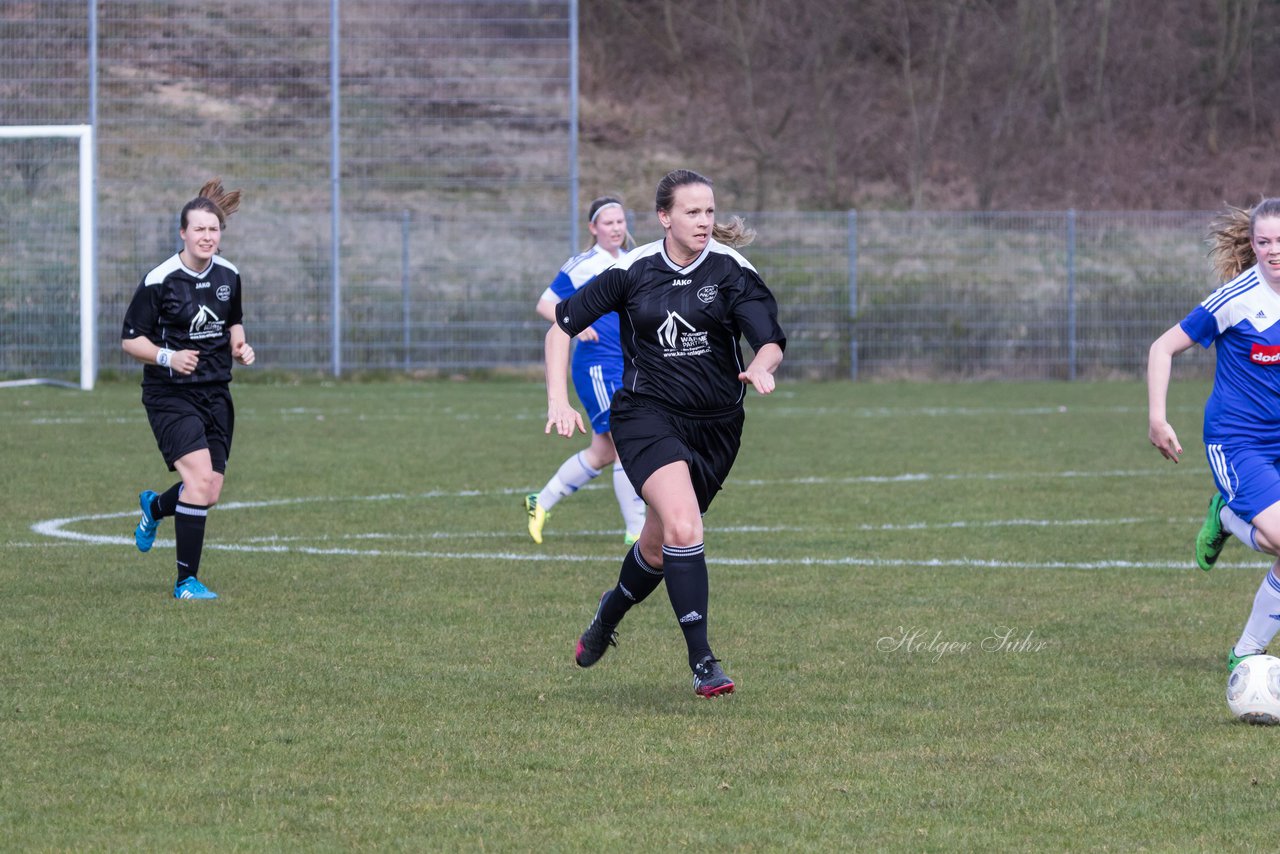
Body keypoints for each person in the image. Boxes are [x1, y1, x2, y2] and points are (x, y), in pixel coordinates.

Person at [543, 168, 786, 698]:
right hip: (646, 417)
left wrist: (763, 364)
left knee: (658, 545)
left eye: (709, 212)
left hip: (717, 428)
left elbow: (768, 339)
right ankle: (704, 663)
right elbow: (560, 326)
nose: (704, 221)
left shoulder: (731, 270)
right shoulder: (633, 269)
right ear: (664, 217)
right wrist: (558, 400)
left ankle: (607, 618)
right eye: (692, 212)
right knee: (684, 525)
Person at [1148, 197, 1280, 670]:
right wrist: (1158, 418)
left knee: (1273, 543)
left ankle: (1245, 652)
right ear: (1251, 244)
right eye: (1263, 241)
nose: (1273, 250)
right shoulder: (1235, 298)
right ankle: (1246, 652)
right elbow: (1162, 348)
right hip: (1237, 439)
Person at [121, 178, 255, 600]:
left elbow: (233, 320)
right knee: (198, 480)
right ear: (183, 233)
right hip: (170, 393)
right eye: (199, 229)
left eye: (213, 229)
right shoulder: (160, 279)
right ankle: (186, 583)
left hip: (216, 392)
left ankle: (154, 507)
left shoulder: (229, 274)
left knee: (209, 491)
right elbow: (130, 340)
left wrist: (239, 343)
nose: (207, 236)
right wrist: (168, 357)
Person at [525, 196, 646, 545]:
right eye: (608, 223)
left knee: (603, 452)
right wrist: (574, 327)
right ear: (593, 228)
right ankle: (636, 529)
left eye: (620, 222)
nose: (616, 228)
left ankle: (540, 502)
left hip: (626, 364)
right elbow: (545, 304)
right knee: (625, 442)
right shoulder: (582, 264)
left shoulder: (633, 261)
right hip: (594, 365)